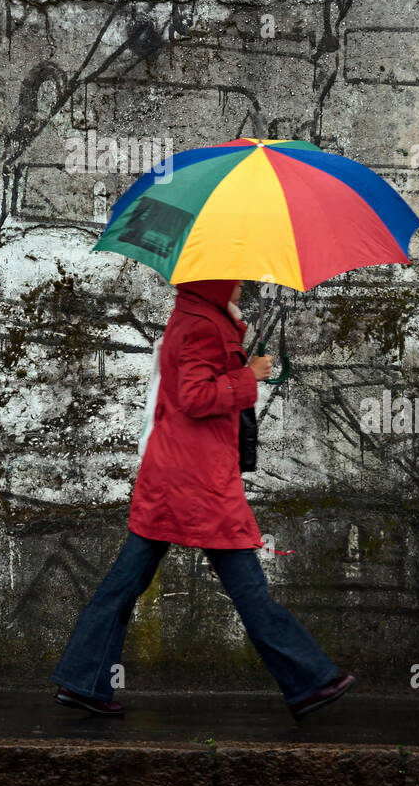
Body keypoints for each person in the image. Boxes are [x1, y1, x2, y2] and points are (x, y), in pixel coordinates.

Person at [50, 278, 355, 720]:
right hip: (196, 481)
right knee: (247, 586)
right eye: (236, 279)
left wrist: (238, 342)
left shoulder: (203, 318)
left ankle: (83, 680)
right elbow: (195, 396)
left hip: (181, 475)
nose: (243, 285)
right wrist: (248, 376)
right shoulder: (201, 325)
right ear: (216, 281)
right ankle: (309, 681)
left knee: (127, 582)